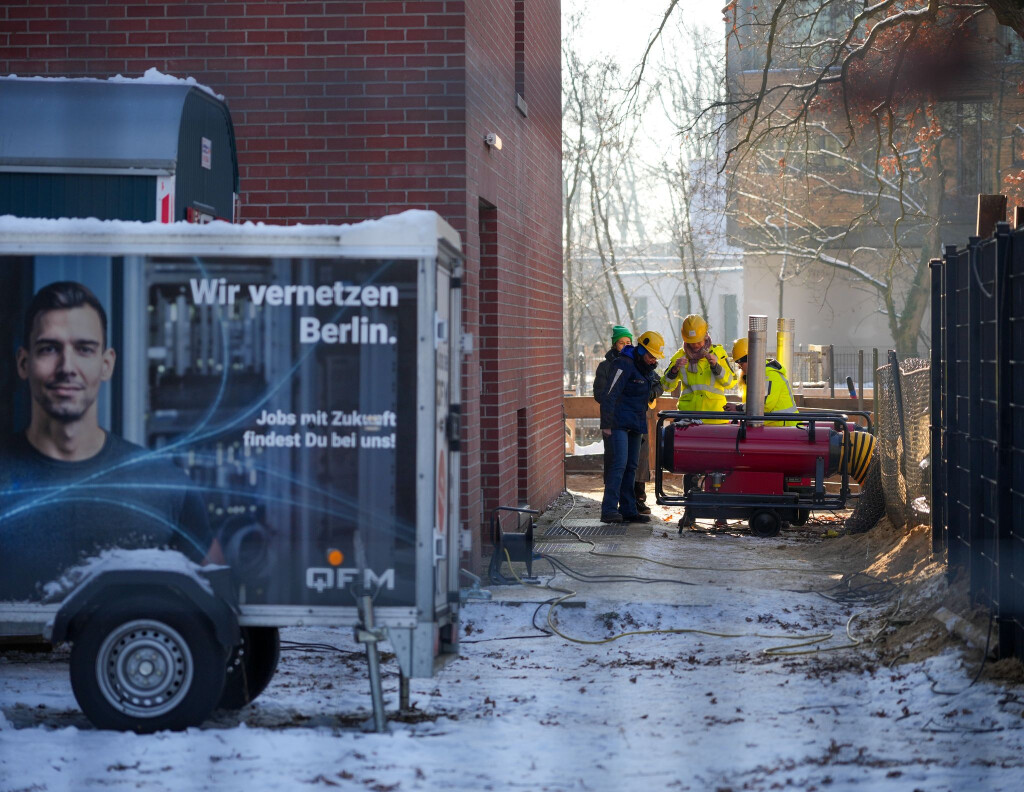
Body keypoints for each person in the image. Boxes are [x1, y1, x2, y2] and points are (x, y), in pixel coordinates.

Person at [0, 281, 221, 601]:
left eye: (84, 349)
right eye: (49, 348)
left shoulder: (165, 487)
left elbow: (219, 616)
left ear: (106, 364)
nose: (67, 368)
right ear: (24, 363)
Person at [597, 330, 665, 524]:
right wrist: (607, 424)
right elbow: (609, 394)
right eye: (651, 356)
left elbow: (657, 388)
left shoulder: (647, 370)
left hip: (636, 423)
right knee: (618, 465)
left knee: (631, 467)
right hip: (617, 423)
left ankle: (628, 509)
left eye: (655, 357)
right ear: (642, 350)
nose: (653, 360)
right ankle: (609, 509)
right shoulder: (623, 364)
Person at [661, 314, 737, 424]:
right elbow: (665, 386)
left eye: (698, 341)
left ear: (706, 336)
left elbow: (731, 383)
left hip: (715, 418)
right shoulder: (679, 356)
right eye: (692, 342)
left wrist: (716, 367)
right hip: (687, 419)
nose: (695, 345)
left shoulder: (718, 353)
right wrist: (674, 370)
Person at [726, 337, 799, 426]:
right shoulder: (757, 376)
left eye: (741, 364)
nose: (739, 367)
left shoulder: (769, 375)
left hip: (786, 429)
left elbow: (765, 405)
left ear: (752, 360)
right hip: (776, 427)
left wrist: (738, 408)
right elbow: (754, 405)